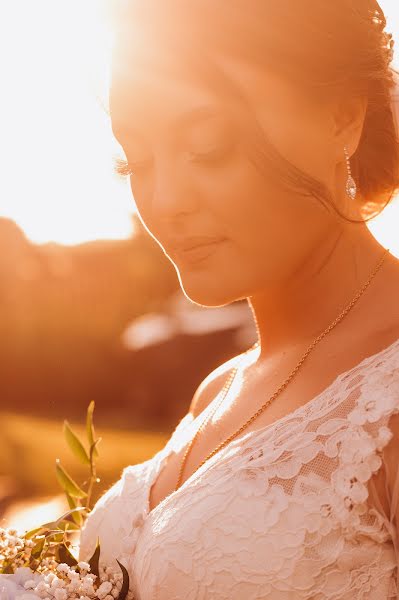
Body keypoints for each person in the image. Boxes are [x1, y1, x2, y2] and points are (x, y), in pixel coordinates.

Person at [79, 1, 399, 598]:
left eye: (207, 147)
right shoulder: (216, 391)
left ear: (342, 118)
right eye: (137, 161)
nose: (164, 199)